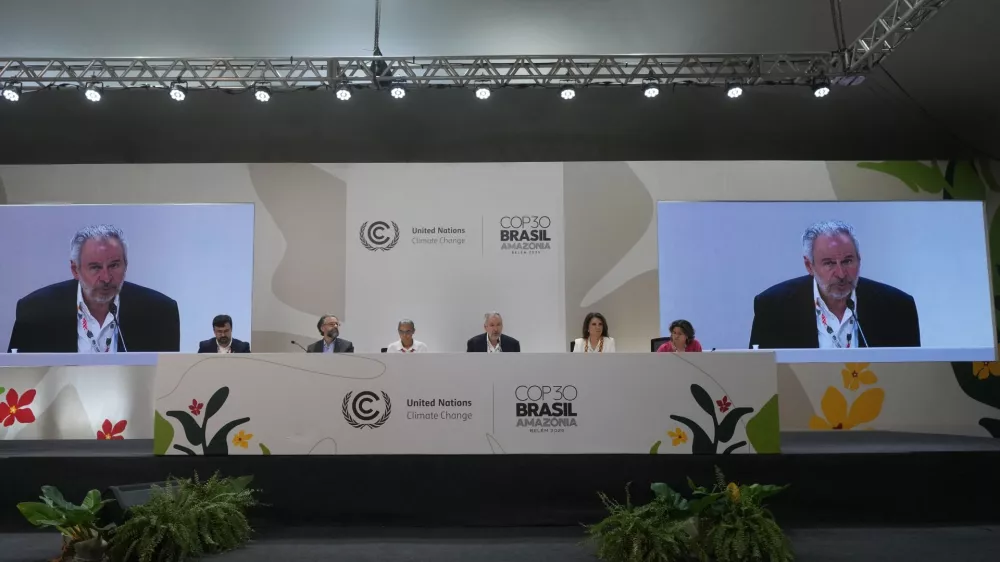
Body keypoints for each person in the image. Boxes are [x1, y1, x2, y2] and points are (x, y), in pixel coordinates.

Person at [6, 224, 180, 354]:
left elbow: (168, 383)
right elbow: (16, 377)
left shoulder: (159, 312)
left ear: (126, 265)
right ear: (75, 270)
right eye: (95, 267)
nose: (106, 278)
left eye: (114, 265)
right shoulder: (36, 311)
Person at [748, 220, 920, 349]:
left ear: (859, 260)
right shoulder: (773, 308)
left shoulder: (897, 308)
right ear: (809, 266)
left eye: (847, 261)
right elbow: (760, 374)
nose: (841, 274)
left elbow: (910, 375)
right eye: (829, 263)